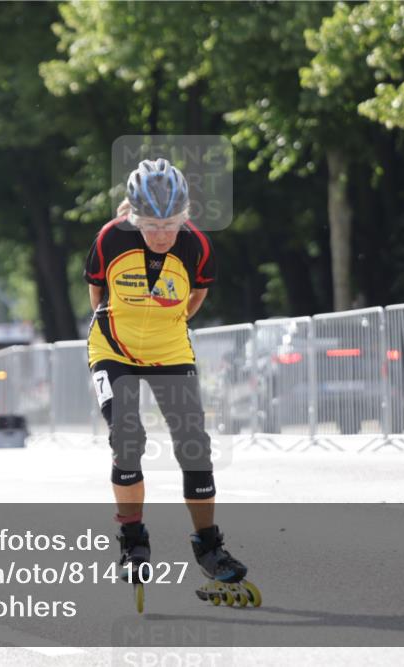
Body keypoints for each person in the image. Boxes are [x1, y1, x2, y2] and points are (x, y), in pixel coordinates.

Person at [83, 158, 255, 604]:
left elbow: (197, 295)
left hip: (169, 351)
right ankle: (133, 538)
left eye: (170, 224)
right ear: (133, 217)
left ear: (185, 215)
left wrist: (165, 325)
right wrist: (120, 326)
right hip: (113, 349)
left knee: (193, 445)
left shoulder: (196, 244)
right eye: (151, 225)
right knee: (127, 437)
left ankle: (209, 546)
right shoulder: (110, 238)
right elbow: (97, 290)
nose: (161, 234)